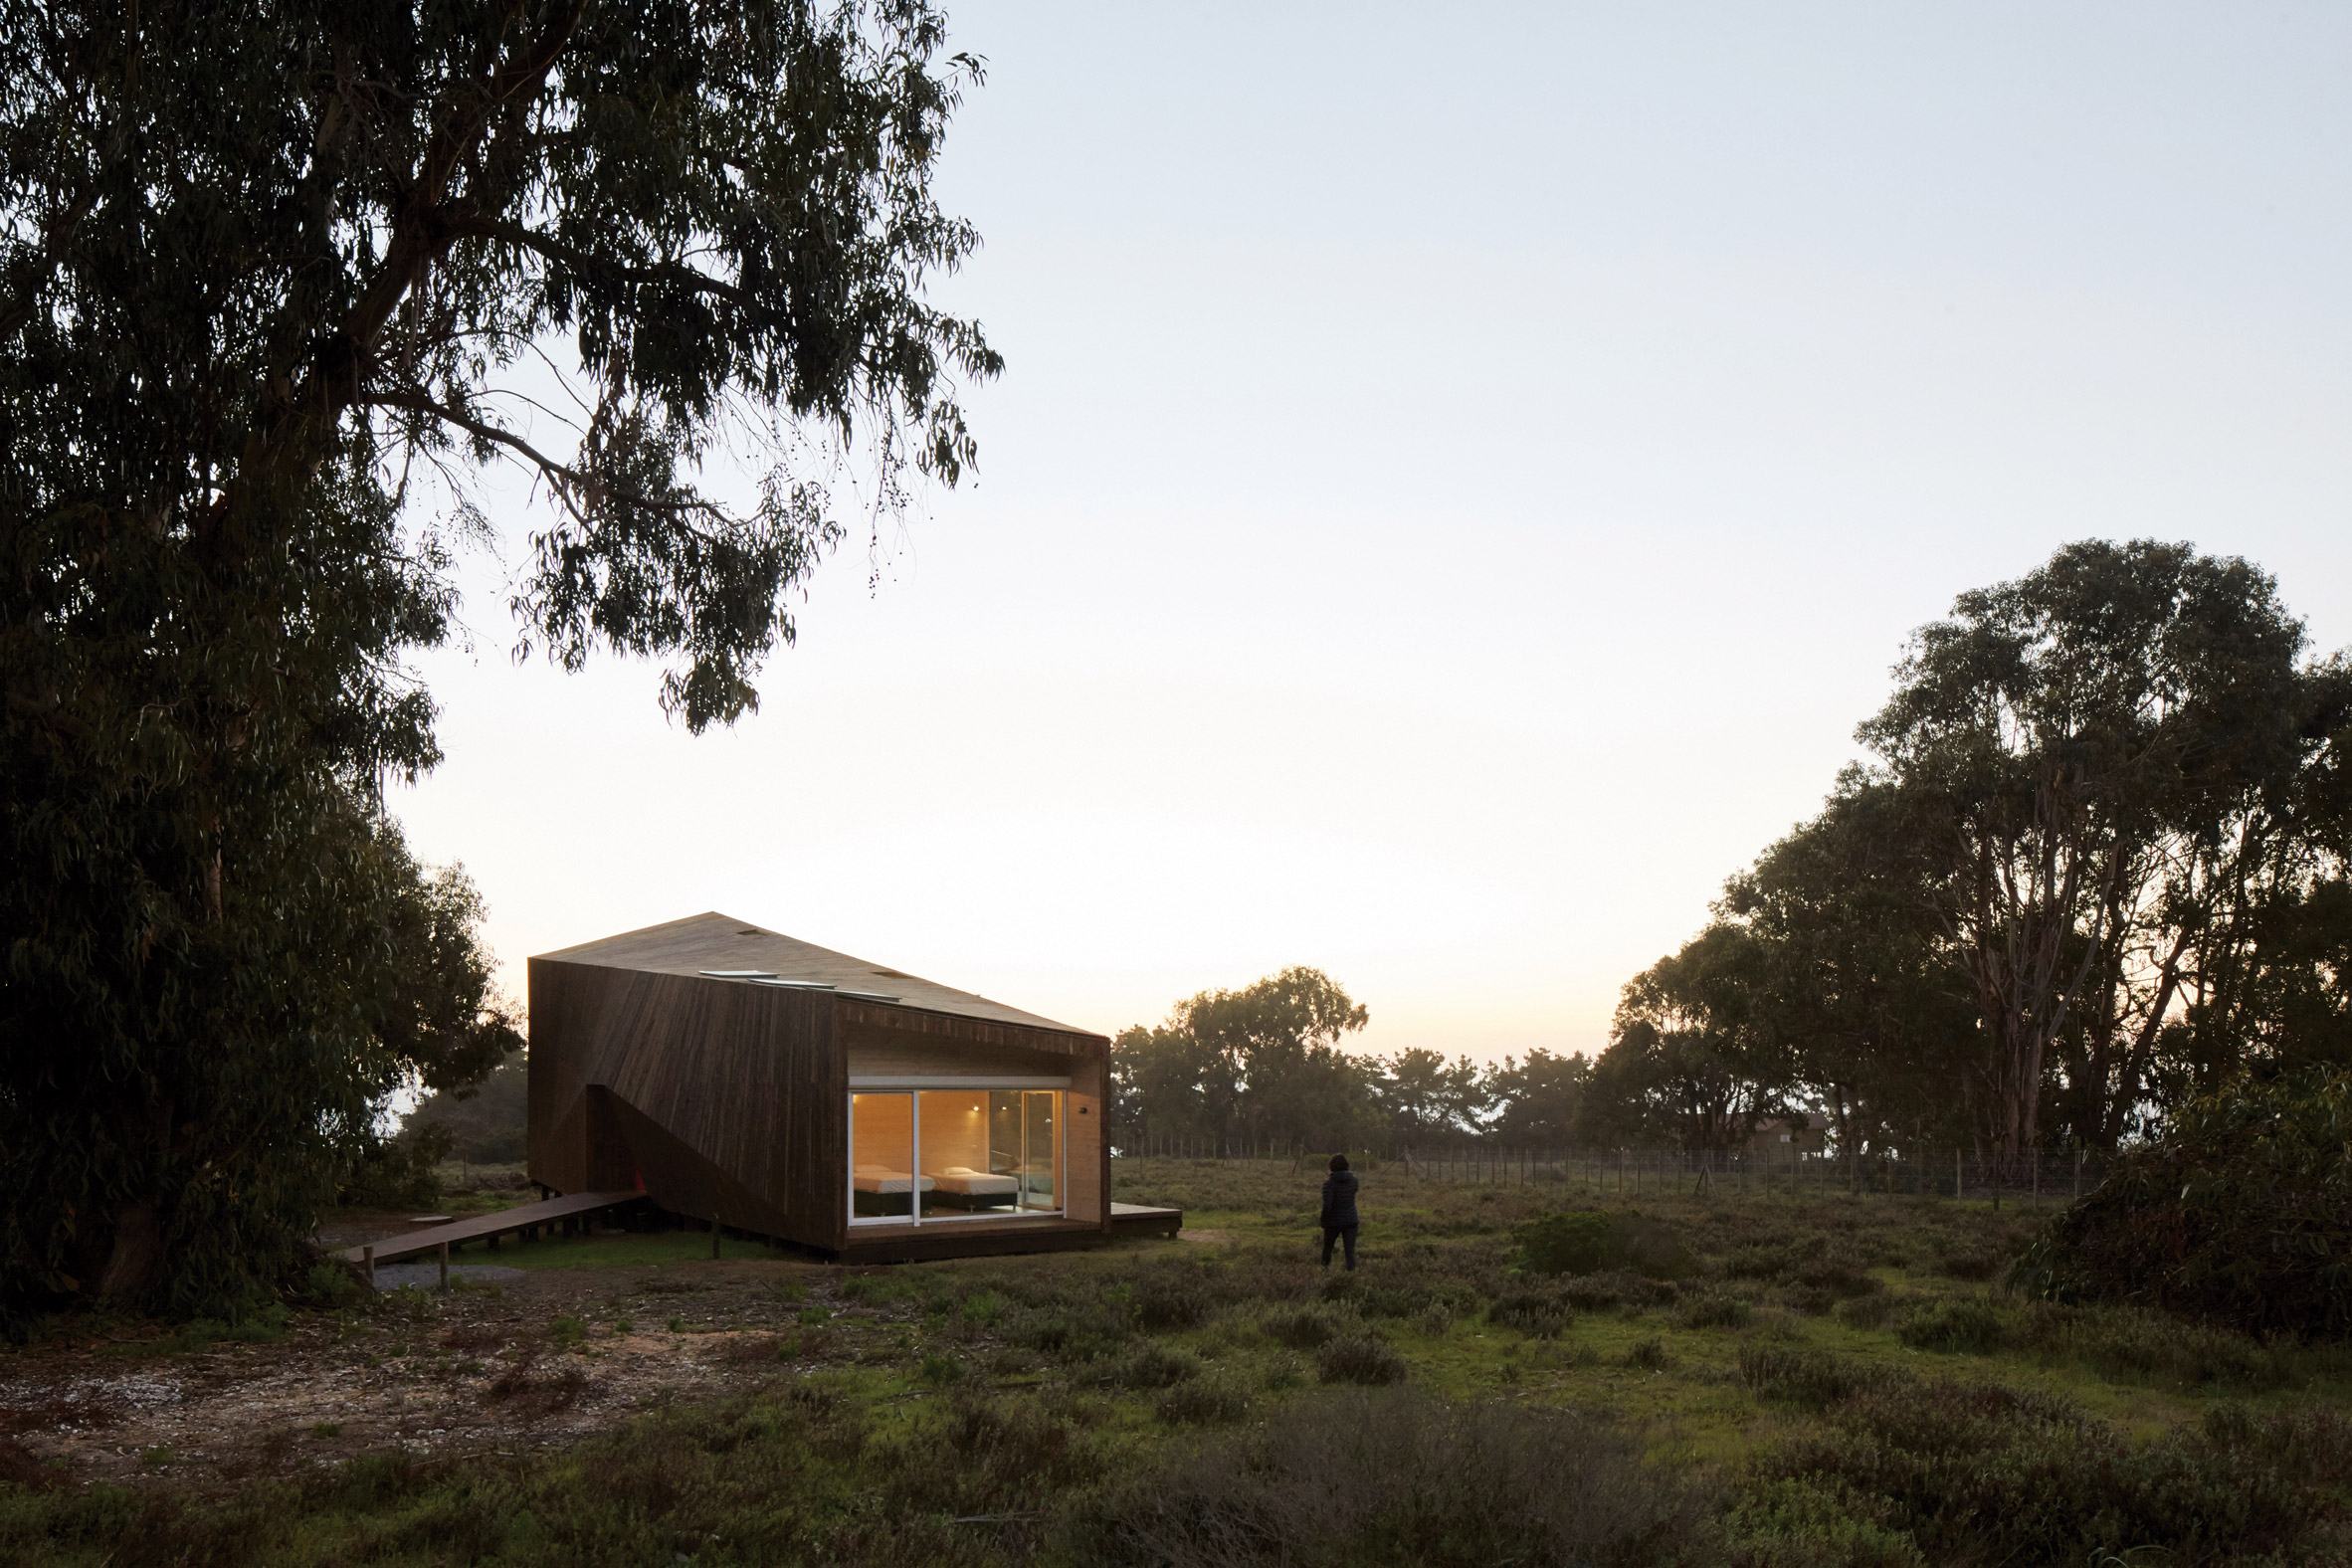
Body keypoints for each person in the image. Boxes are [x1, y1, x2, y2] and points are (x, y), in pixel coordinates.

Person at [1319, 1153, 1360, 1271]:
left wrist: (1323, 1219)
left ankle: (1325, 1271)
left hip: (1333, 1221)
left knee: (1328, 1248)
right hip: (1351, 1219)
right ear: (1347, 1165)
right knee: (1350, 1251)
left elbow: (1327, 1205)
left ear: (1331, 1166)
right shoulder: (1354, 1181)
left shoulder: (1328, 1184)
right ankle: (1351, 1273)